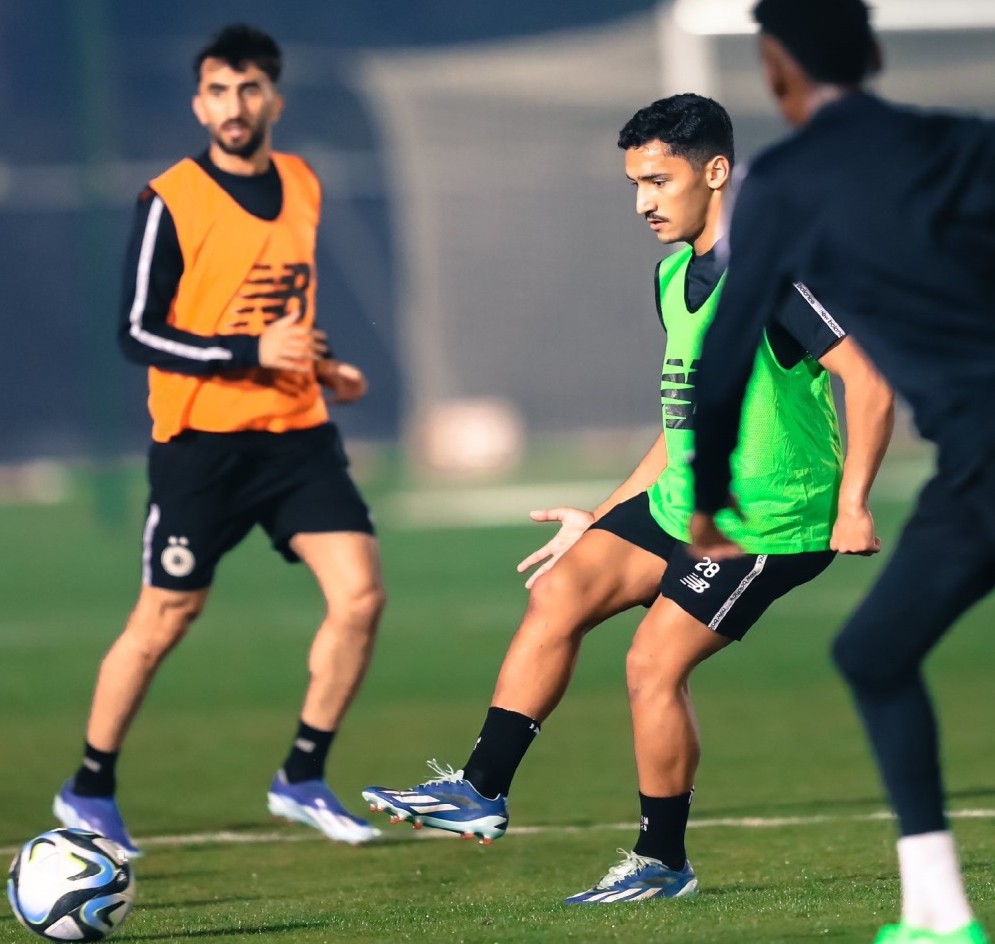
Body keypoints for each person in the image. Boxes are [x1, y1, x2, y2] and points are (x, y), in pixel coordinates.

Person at [362, 93, 893, 902]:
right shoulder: (672, 274)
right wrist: (604, 515)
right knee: (560, 587)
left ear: (714, 173)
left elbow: (871, 383)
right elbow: (681, 420)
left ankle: (661, 861)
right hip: (684, 498)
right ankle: (479, 792)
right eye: (633, 183)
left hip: (769, 522)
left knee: (651, 664)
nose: (643, 201)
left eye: (658, 180)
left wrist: (854, 503)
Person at [687, 0, 995, 944]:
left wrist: (705, 496)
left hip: (983, 459)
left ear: (775, 72)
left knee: (872, 656)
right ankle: (934, 911)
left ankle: (940, 913)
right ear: (873, 54)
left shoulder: (781, 183)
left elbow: (729, 346)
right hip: (971, 471)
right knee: (869, 650)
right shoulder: (964, 142)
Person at [53, 24, 386, 852]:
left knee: (360, 596)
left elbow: (284, 312)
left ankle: (302, 777)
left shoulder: (302, 182)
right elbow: (137, 331)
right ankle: (88, 786)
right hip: (201, 445)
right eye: (216, 91)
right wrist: (247, 353)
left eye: (248, 90)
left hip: (297, 434)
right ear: (197, 102)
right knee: (165, 618)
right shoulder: (170, 198)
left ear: (274, 97)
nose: (232, 107)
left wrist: (330, 369)